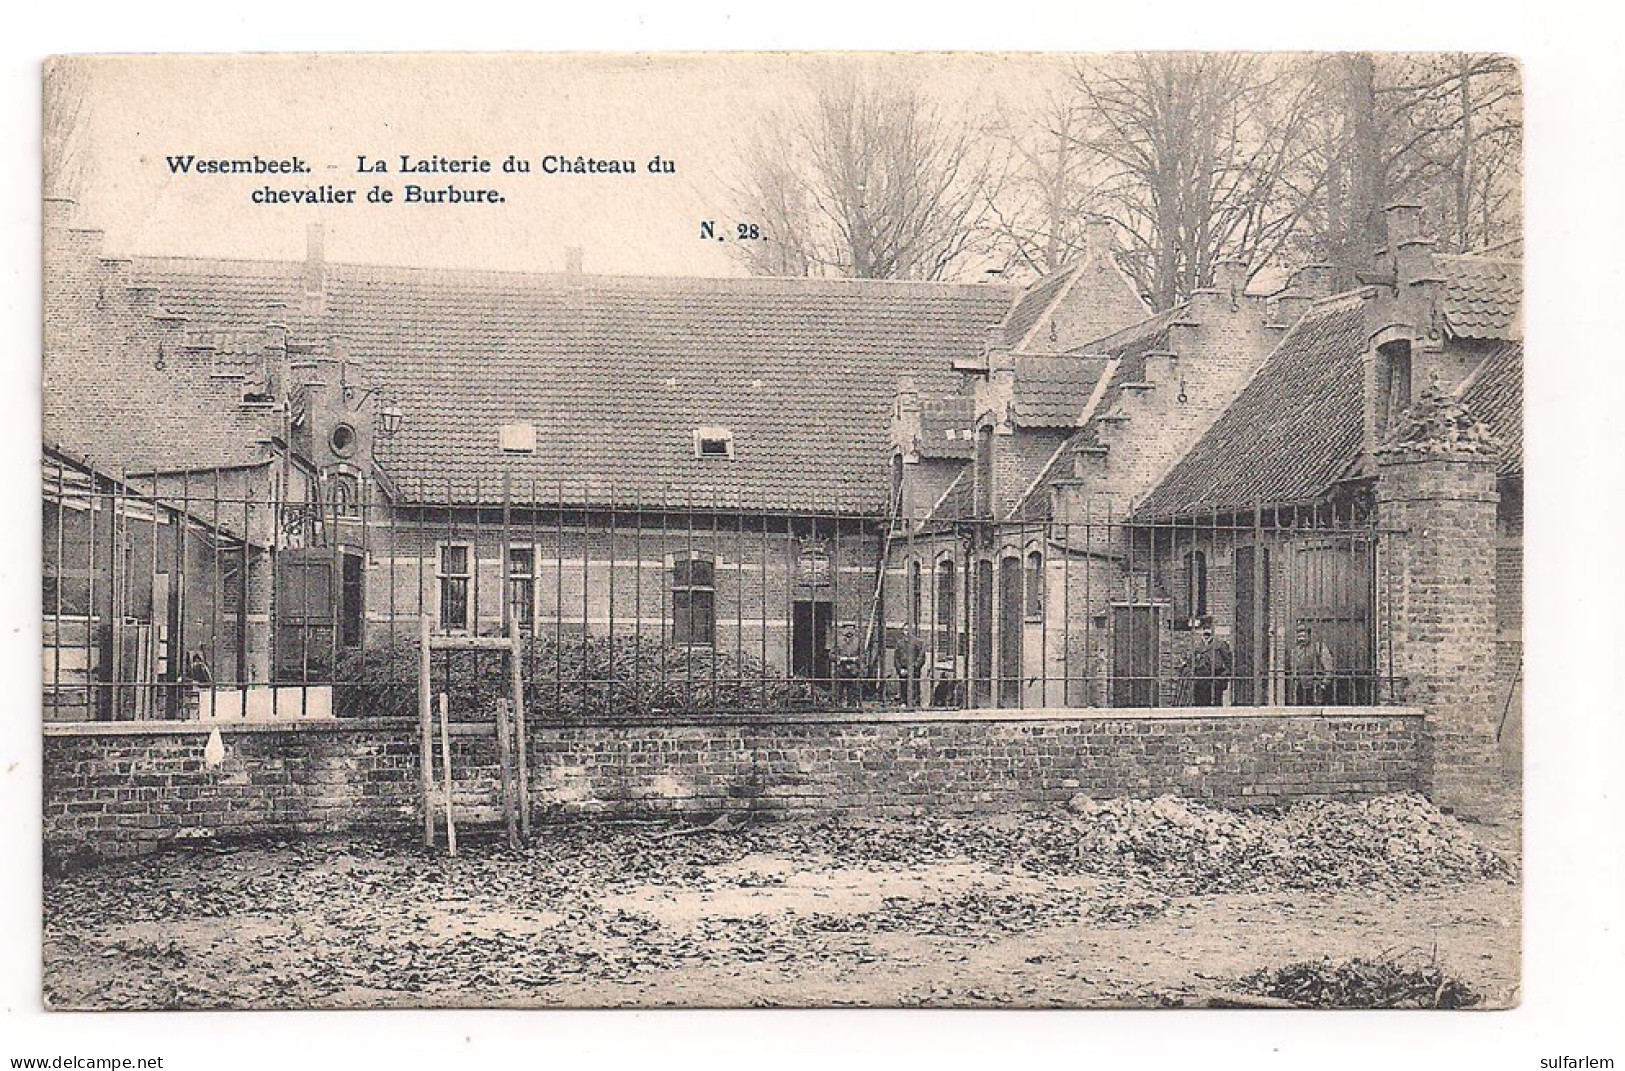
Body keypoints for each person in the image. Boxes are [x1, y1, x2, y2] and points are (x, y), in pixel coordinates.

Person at [1184, 617, 1232, 706]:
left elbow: (1229, 662)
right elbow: (1191, 661)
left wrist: (1223, 677)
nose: (1206, 632)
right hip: (1201, 680)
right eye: (1204, 629)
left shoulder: (1220, 644)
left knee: (1215, 705)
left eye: (1209, 629)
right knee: (1201, 704)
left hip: (1215, 680)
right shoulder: (1197, 645)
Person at [1289, 621, 1334, 705]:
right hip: (1301, 687)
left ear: (1308, 635)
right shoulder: (1295, 651)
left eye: (1303, 634)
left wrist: (1324, 683)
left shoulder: (1318, 647)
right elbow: (1293, 669)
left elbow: (1328, 667)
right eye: (1299, 635)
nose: (1300, 637)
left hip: (1317, 686)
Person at [893, 625, 928, 707]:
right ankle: (903, 701)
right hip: (903, 670)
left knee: (914, 686)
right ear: (903, 631)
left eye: (908, 630)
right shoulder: (900, 643)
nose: (907, 632)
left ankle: (914, 702)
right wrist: (900, 669)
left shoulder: (918, 642)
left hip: (914, 670)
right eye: (905, 630)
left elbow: (921, 657)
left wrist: (914, 668)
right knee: (903, 686)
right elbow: (896, 658)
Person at [832, 622, 865, 707]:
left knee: (853, 691)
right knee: (839, 690)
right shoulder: (838, 641)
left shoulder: (858, 642)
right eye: (847, 628)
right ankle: (838, 705)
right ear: (843, 630)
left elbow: (863, 655)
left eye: (851, 628)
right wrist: (840, 658)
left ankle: (852, 705)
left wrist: (856, 659)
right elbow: (831, 655)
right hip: (841, 669)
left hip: (853, 670)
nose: (849, 630)